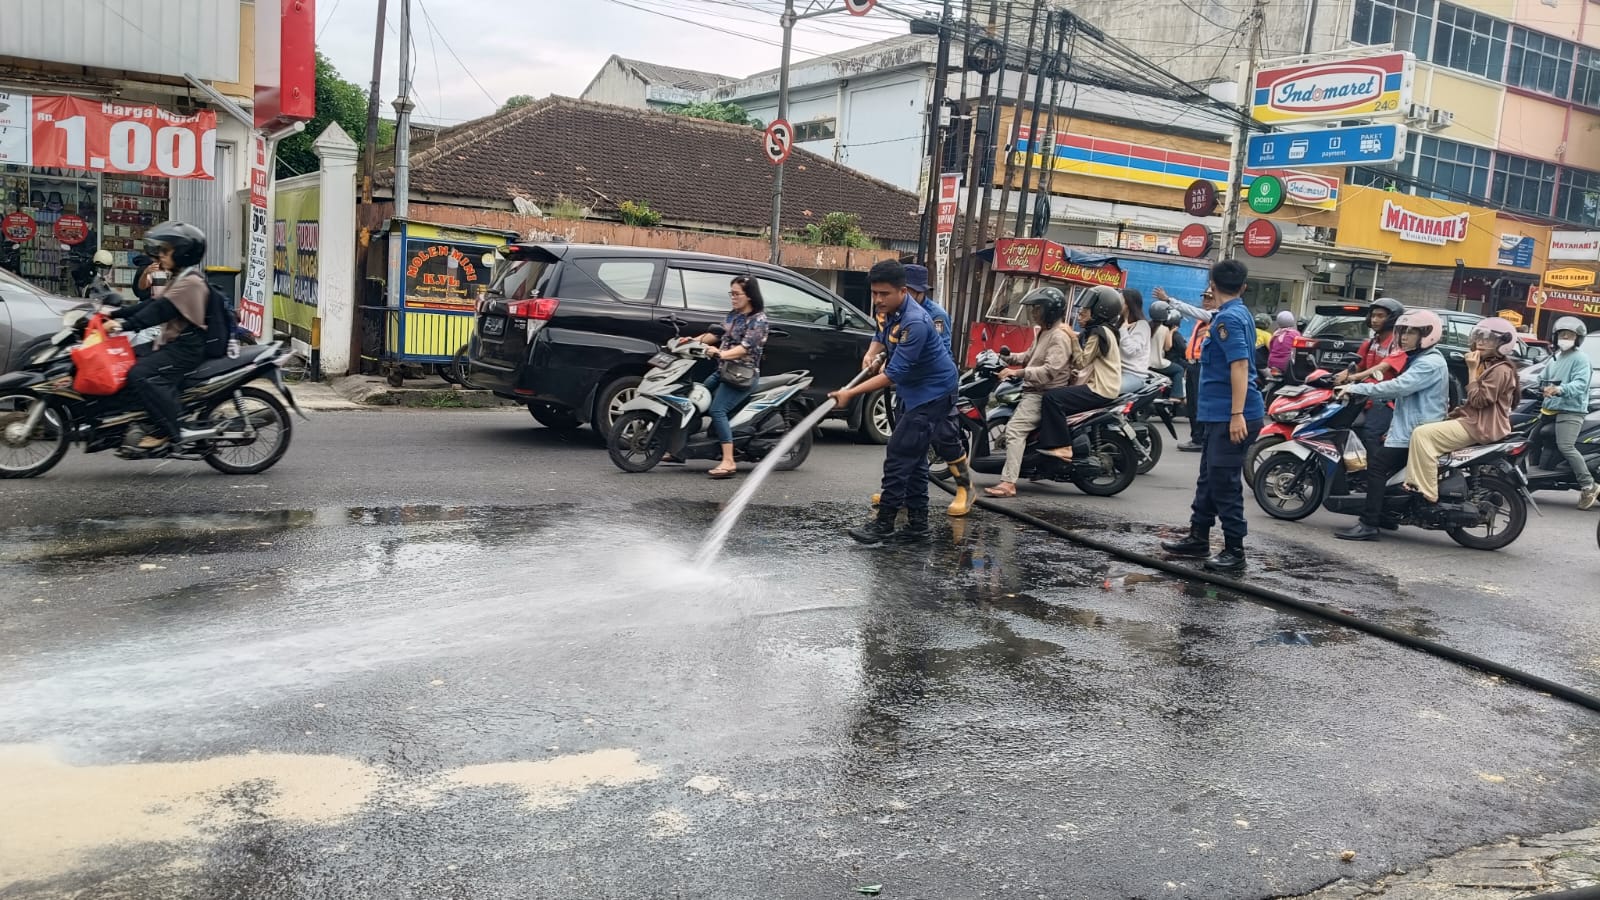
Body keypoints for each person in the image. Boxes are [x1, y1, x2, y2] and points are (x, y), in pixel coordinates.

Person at [833, 260, 974, 544]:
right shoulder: (887, 311)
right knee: (915, 458)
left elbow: (894, 373)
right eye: (874, 293)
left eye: (884, 294)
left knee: (899, 454)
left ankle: (884, 523)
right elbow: (880, 335)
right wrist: (871, 353)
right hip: (914, 390)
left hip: (933, 392)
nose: (878, 300)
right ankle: (917, 527)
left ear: (903, 290)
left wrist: (850, 393)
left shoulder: (917, 322)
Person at [1159, 259, 1266, 573]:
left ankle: (1235, 551)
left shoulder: (1229, 320)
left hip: (1233, 415)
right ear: (1243, 287)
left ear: (1212, 285)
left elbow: (1240, 366)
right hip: (1219, 413)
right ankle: (1198, 536)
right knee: (1209, 478)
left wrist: (1236, 414)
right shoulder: (1231, 313)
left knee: (1225, 483)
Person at [1330, 309, 1449, 541]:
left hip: (1416, 431)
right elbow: (1399, 390)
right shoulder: (1419, 358)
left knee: (1376, 467)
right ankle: (1386, 514)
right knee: (1386, 470)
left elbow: (1399, 386)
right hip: (1409, 427)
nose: (1404, 337)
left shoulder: (1429, 363)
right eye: (1402, 332)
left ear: (1427, 334)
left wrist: (1357, 388)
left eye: (1411, 332)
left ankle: (1369, 523)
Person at [102, 222, 212, 452]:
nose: (160, 255)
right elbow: (152, 303)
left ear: (182, 252)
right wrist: (113, 313)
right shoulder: (181, 277)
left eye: (166, 250)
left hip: (185, 347)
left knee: (140, 374)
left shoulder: (190, 282)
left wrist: (122, 325)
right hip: (172, 341)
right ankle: (140, 419)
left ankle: (171, 430)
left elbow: (157, 312)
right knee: (127, 359)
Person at [1404, 317, 1520, 504]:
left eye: (1488, 339)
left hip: (1481, 427)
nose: (1481, 342)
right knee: (1422, 428)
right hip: (1473, 422)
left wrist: (1472, 371)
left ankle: (1426, 490)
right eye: (1479, 337)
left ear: (1503, 343)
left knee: (1422, 434)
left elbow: (1480, 400)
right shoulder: (1489, 365)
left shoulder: (1501, 370)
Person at [984, 286, 1075, 499]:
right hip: (1031, 389)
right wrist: (1006, 358)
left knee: (1015, 430)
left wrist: (1017, 373)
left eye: (1038, 309)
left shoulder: (1059, 336)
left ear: (1050, 310)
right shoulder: (1045, 331)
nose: (1033, 313)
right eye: (1033, 308)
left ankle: (1008, 483)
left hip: (1041, 393)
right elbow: (1029, 356)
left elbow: (1050, 371)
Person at [690, 274, 770, 479]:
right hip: (722, 370)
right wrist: (690, 341)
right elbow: (717, 335)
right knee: (696, 399)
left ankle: (728, 460)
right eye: (731, 293)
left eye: (737, 294)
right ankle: (678, 449)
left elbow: (745, 348)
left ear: (749, 296)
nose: (733, 298)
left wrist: (722, 353)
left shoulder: (759, 320)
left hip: (742, 376)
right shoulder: (734, 315)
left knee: (717, 410)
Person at [1034, 285, 1124, 462]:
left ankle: (1062, 446)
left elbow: (1082, 361)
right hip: (1103, 386)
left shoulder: (1099, 334)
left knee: (1052, 398)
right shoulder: (1104, 330)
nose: (1080, 315)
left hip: (1100, 389)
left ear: (1099, 311)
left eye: (1085, 312)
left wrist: (1072, 338)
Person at [1536, 316, 1598, 509]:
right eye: (1562, 334)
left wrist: (1559, 390)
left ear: (1577, 338)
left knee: (1566, 446)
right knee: (1531, 439)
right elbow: (1542, 377)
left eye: (1569, 335)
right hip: (1551, 409)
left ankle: (1589, 485)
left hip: (1571, 411)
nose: (1565, 338)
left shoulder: (1580, 359)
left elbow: (1579, 385)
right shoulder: (1556, 358)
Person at [1334, 297, 1407, 453]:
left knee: (1370, 434)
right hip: (1363, 396)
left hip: (1385, 400)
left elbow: (1381, 368)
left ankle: (1371, 472)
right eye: (1373, 315)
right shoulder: (1371, 343)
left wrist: (1354, 378)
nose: (1374, 320)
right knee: (1340, 426)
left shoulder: (1397, 344)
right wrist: (1332, 377)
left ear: (1392, 318)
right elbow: (1357, 366)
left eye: (1380, 316)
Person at [1152, 285, 1218, 451]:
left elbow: (1190, 310)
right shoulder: (1202, 320)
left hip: (1203, 366)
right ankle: (1197, 437)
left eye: (1210, 298)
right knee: (1193, 404)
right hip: (1194, 365)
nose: (1206, 301)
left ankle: (1199, 439)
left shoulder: (1214, 316)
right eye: (1204, 298)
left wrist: (1168, 300)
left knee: (1197, 404)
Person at [903, 263, 954, 357]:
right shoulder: (903, 310)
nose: (903, 294)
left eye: (906, 291)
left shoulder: (937, 315)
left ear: (919, 291)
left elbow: (942, 348)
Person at [1118, 288, 1152, 396]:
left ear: (1128, 303)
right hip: (1116, 371)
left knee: (1108, 391)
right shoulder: (1120, 322)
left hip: (1133, 375)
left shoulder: (1142, 325)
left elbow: (1130, 350)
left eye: (1120, 300)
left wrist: (1123, 330)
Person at [1147, 301, 1185, 399]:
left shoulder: (1146, 325)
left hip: (1144, 362)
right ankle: (1176, 395)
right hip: (1158, 363)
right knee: (1179, 370)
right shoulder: (1164, 329)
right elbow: (1167, 347)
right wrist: (1171, 332)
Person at [1266, 310, 1299, 378]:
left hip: (1271, 363)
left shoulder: (1275, 334)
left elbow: (1271, 348)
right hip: (1286, 364)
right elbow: (1297, 350)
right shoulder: (1295, 334)